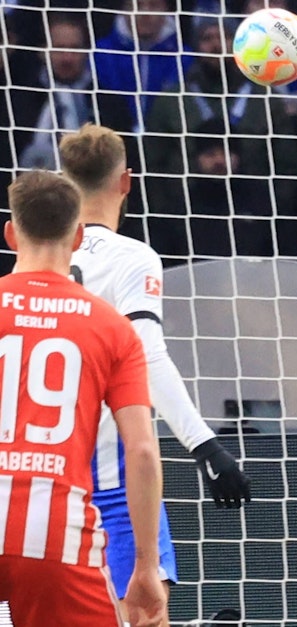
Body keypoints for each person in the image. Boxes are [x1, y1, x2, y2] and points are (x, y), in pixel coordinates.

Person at [57, 124, 253, 601]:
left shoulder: (37, 257)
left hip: (45, 473)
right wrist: (205, 445)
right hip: (114, 478)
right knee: (145, 613)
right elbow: (146, 355)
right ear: (126, 181)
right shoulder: (132, 258)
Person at [0, 170, 166, 626]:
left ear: (11, 234)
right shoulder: (112, 327)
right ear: (77, 237)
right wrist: (147, 567)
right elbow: (143, 450)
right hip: (54, 533)